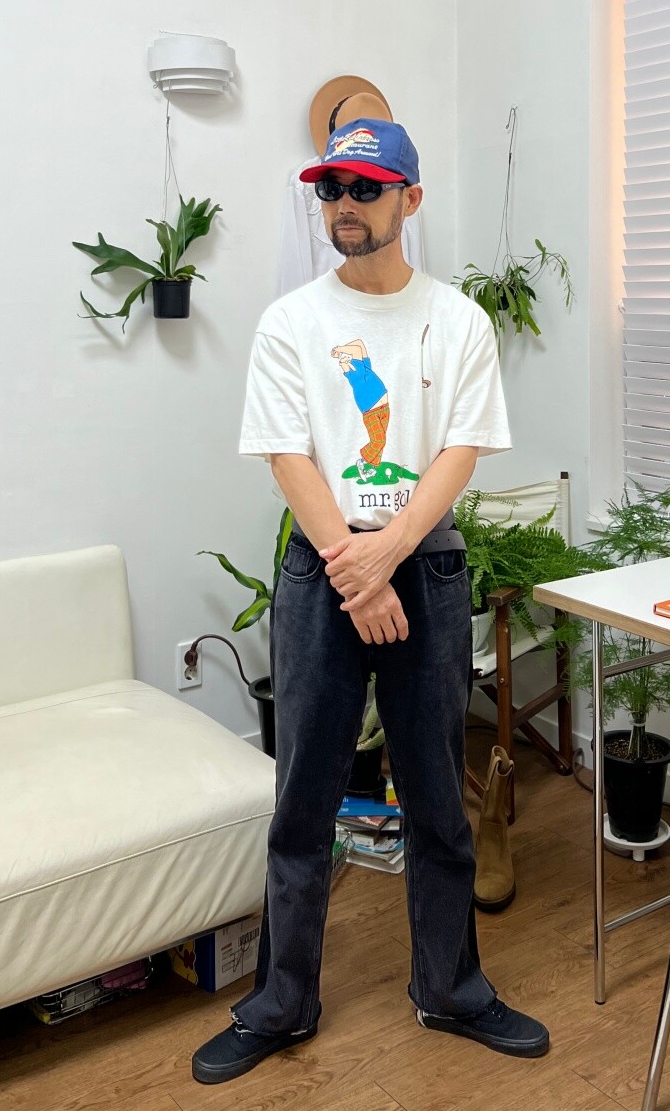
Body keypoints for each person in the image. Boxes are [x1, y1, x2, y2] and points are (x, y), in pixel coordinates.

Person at [191, 117, 550, 1085]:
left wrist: (386, 555)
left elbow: (460, 450)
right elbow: (287, 454)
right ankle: (281, 1002)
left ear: (409, 199)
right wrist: (354, 570)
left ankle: (451, 988)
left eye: (364, 187)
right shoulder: (290, 322)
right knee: (302, 800)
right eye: (331, 189)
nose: (344, 205)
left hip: (423, 569)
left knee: (436, 795)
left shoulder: (458, 320)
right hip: (324, 571)